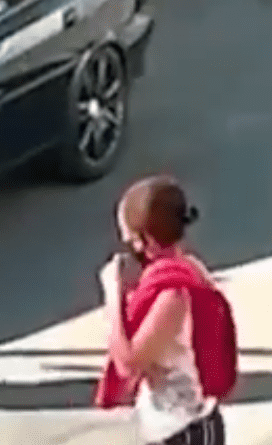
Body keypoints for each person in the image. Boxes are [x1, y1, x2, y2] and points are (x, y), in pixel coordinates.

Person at [95, 175, 236, 445]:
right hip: (176, 427)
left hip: (184, 431)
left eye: (128, 240)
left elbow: (128, 365)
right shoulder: (185, 268)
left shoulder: (171, 295)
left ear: (144, 241)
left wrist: (112, 294)